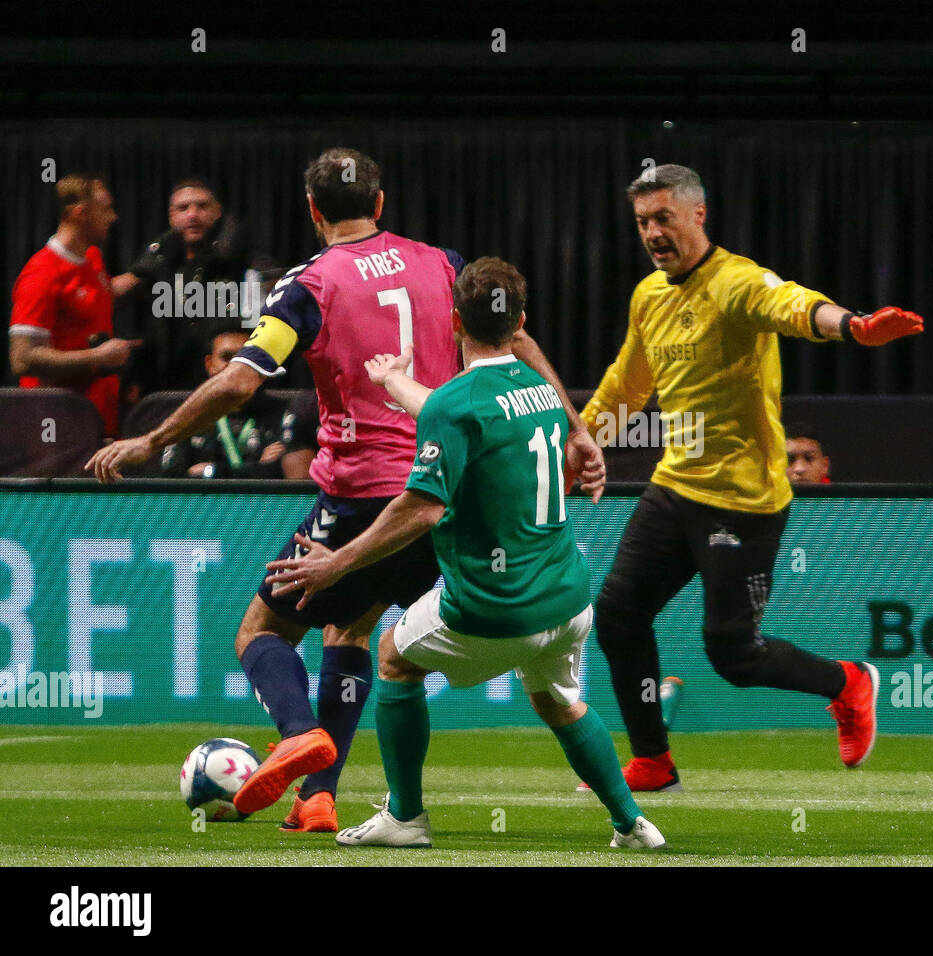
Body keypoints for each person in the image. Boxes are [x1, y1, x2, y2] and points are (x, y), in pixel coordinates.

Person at [88, 148, 604, 832]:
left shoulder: (307, 285)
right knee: (351, 624)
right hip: (439, 494)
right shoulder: (441, 262)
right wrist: (577, 429)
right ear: (381, 204)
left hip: (360, 496)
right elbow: (514, 339)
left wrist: (151, 440)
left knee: (260, 631)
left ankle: (299, 730)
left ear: (313, 210)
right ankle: (318, 798)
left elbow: (242, 381)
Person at [265, 257, 662, 850]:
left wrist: (335, 562)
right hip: (568, 601)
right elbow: (459, 413)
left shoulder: (457, 403)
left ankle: (405, 818)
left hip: (495, 606)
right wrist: (393, 379)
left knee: (393, 653)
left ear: (453, 321)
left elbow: (421, 506)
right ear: (521, 321)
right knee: (560, 703)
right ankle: (632, 824)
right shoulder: (542, 391)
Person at [580, 164, 923, 791]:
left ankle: (848, 683)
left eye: (663, 218)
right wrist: (581, 441)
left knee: (733, 655)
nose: (653, 233)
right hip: (673, 487)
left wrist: (852, 325)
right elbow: (627, 385)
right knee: (618, 615)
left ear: (698, 215)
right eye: (642, 222)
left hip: (740, 503)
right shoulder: (649, 295)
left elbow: (792, 304)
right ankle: (652, 760)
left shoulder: (734, 281)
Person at [8, 174, 143, 437]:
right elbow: (22, 359)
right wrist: (99, 357)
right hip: (56, 426)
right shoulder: (42, 274)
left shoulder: (91, 257)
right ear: (81, 213)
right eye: (105, 209)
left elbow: (100, 295)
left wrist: (149, 271)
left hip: (98, 417)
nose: (113, 217)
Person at [116, 178, 271, 391]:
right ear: (171, 217)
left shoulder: (245, 265)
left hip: (226, 389)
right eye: (183, 208)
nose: (193, 214)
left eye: (202, 206)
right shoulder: (159, 267)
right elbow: (112, 294)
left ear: (218, 212)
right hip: (167, 389)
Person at [158, 323, 290, 479]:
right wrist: (255, 468)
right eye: (226, 357)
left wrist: (210, 471)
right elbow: (171, 478)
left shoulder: (283, 412)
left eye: (245, 358)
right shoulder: (185, 416)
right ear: (209, 364)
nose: (235, 367)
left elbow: (281, 474)